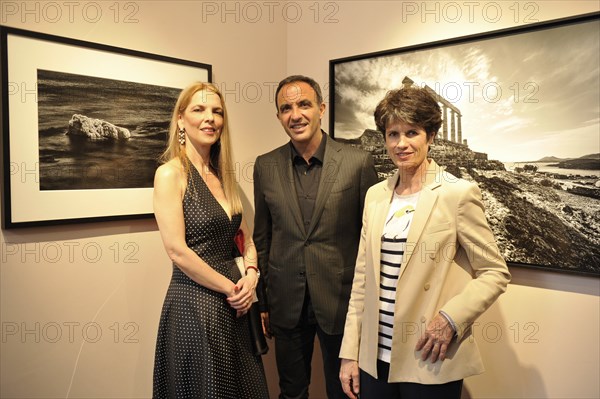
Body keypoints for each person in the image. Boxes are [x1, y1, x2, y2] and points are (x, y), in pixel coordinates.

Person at [339, 86, 512, 399]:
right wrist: (350, 352)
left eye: (412, 132)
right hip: (374, 358)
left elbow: (495, 272)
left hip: (429, 354)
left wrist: (451, 319)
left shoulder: (457, 193)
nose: (401, 144)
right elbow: (362, 281)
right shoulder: (375, 196)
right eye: (393, 134)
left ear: (430, 136)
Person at [253, 75, 378, 399]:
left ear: (321, 108)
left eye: (304, 104)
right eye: (286, 108)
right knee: (291, 391)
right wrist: (263, 301)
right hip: (286, 301)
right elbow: (263, 237)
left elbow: (371, 240)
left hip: (341, 301)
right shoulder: (265, 166)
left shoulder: (357, 162)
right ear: (279, 116)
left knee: (345, 391)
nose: (295, 115)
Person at [152, 82, 269, 399]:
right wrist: (232, 289)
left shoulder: (224, 175)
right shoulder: (170, 174)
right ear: (180, 119)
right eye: (199, 110)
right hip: (195, 305)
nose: (210, 118)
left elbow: (246, 241)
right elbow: (178, 252)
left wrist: (252, 276)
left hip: (236, 304)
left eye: (217, 111)